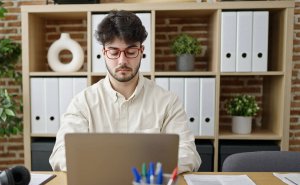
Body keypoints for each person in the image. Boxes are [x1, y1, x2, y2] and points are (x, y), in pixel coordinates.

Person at [49, 10, 201, 173]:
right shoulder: (83, 103)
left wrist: (142, 170)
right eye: (114, 52)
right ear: (104, 53)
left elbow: (189, 154)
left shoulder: (168, 102)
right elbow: (60, 155)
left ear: (141, 51)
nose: (122, 61)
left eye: (130, 52)